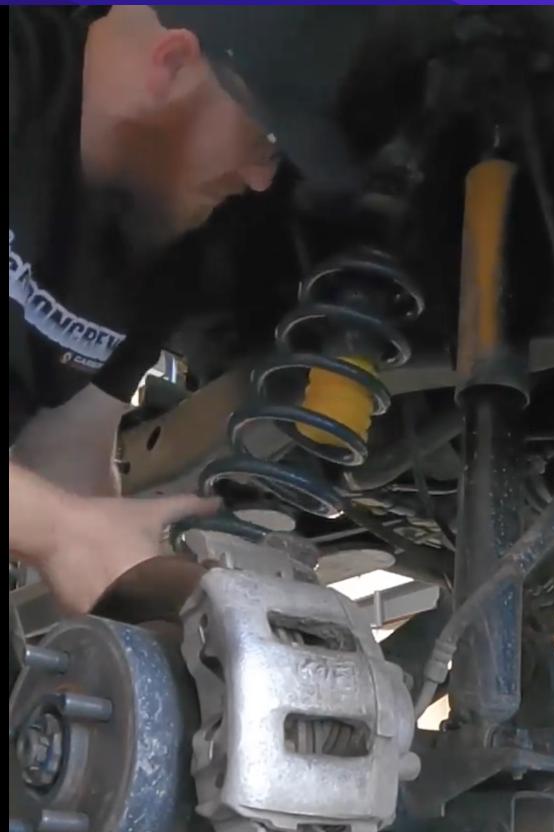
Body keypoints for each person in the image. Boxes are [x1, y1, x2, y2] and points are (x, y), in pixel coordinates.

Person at [9, 5, 364, 615]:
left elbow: (66, 458)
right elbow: (63, 521)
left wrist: (163, 600)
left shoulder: (165, 232)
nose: (261, 180)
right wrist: (61, 533)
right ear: (171, 63)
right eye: (267, 140)